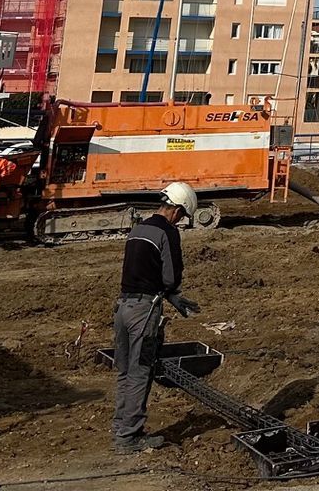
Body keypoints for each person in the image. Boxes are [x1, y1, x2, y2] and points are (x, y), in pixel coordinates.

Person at [112, 182, 203, 454]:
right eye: (182, 215)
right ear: (178, 209)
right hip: (144, 312)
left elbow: (141, 272)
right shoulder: (167, 232)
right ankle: (129, 437)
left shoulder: (138, 229)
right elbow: (170, 277)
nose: (180, 220)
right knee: (141, 372)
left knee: (125, 372)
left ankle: (120, 429)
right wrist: (173, 292)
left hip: (123, 307)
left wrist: (171, 297)